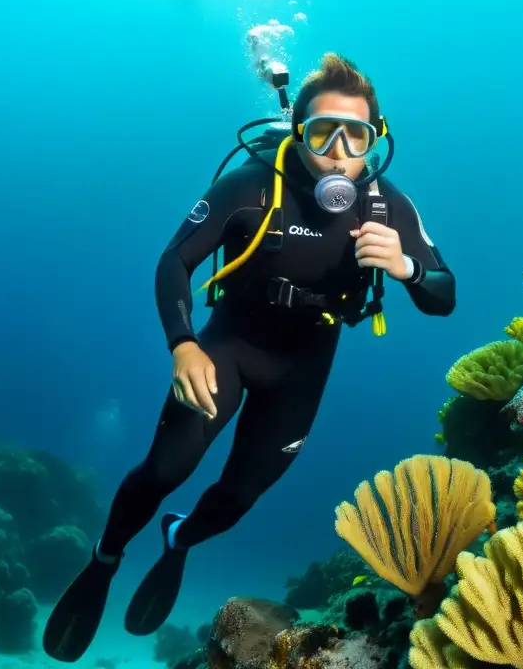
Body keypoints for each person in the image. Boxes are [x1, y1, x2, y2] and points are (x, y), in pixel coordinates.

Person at [43, 53, 456, 662]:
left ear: (377, 139)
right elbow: (174, 261)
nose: (339, 151)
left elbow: (444, 293)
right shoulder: (253, 183)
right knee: (165, 469)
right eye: (322, 133)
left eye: (356, 136)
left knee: (240, 495)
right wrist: (182, 344)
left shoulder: (387, 205)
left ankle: (179, 539)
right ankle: (105, 558)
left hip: (305, 367)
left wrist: (407, 267)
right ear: (298, 132)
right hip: (228, 346)